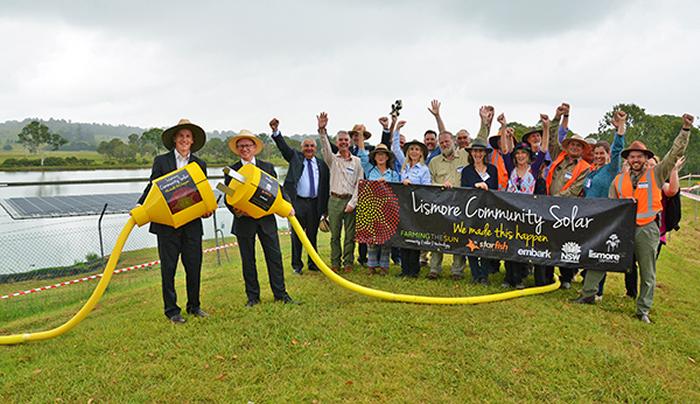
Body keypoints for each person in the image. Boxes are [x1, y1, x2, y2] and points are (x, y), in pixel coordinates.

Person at [572, 113, 693, 324]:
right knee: (601, 258)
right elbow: (611, 205)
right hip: (621, 228)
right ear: (627, 159)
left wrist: (685, 130)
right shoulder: (618, 180)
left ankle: (643, 309)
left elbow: (674, 154)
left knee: (648, 271)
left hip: (647, 229)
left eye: (640, 156)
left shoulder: (656, 174)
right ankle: (588, 293)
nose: (636, 160)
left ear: (646, 158)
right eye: (632, 157)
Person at [138, 119, 211, 324]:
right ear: (174, 140)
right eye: (181, 136)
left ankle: (194, 306)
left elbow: (202, 193)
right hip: (167, 227)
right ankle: (172, 311)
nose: (184, 140)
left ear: (193, 140)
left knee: (194, 267)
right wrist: (140, 206)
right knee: (168, 269)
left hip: (192, 226)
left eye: (188, 136)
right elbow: (152, 188)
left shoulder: (200, 164)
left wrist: (206, 210)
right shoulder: (161, 161)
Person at [224, 129, 297, 307]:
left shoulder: (267, 167)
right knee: (248, 261)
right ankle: (253, 298)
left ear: (255, 148)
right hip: (244, 222)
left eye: (248, 145)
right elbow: (227, 194)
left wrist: (288, 205)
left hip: (266, 221)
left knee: (274, 257)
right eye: (241, 146)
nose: (245, 149)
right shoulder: (230, 171)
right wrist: (237, 211)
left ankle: (281, 294)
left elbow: (278, 189)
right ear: (237, 149)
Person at [270, 118, 330, 275]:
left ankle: (313, 263)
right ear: (301, 148)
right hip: (298, 203)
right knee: (297, 236)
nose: (309, 148)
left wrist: (324, 209)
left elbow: (325, 187)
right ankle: (297, 265)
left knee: (312, 235)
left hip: (315, 204)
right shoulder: (295, 157)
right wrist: (276, 132)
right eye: (306, 146)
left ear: (315, 148)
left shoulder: (321, 164)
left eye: (311, 146)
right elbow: (283, 148)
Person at [579, 110, 627, 300]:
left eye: (601, 153)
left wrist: (620, 128)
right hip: (588, 216)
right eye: (596, 153)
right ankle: (588, 285)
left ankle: (598, 291)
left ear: (607, 155)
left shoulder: (611, 169)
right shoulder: (591, 172)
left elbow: (618, 149)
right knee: (589, 251)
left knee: (600, 253)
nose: (598, 156)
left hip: (604, 216)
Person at [544, 103, 591, 289]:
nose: (575, 147)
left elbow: (574, 189)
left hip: (569, 208)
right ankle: (546, 275)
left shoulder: (585, 168)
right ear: (568, 145)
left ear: (582, 149)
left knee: (566, 243)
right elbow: (552, 138)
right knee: (547, 241)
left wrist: (556, 199)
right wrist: (557, 117)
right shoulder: (558, 155)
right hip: (548, 205)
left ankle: (566, 277)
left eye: (579, 145)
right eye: (572, 144)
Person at [502, 115, 551, 288]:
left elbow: (544, 150)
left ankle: (522, 277)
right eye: (518, 153)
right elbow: (505, 151)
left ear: (529, 155)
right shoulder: (511, 169)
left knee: (525, 245)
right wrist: (503, 126)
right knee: (509, 244)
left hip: (528, 213)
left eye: (524, 153)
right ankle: (510, 277)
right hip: (510, 212)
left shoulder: (534, 170)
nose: (521, 156)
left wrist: (546, 127)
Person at [317, 112, 364, 273]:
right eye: (340, 140)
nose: (343, 143)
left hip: (350, 201)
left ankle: (348, 263)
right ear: (337, 142)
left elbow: (360, 183)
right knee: (335, 235)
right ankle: (335, 263)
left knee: (350, 235)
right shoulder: (332, 159)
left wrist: (353, 203)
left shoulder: (357, 161)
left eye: (346, 140)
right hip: (334, 200)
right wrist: (322, 130)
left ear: (350, 142)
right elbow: (324, 146)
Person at [427, 128, 469, 280]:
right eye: (442, 142)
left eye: (447, 141)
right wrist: (440, 186)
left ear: (454, 141)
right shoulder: (434, 161)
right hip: (441, 204)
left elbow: (480, 140)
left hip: (460, 204)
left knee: (458, 236)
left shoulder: (465, 155)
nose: (445, 144)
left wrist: (485, 121)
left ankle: (457, 270)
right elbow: (429, 182)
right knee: (438, 236)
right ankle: (434, 268)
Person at [391, 120, 431, 277]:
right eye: (411, 149)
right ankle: (404, 269)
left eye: (417, 149)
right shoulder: (403, 165)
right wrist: (397, 130)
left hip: (416, 206)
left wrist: (411, 185)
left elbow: (426, 189)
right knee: (403, 238)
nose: (414, 152)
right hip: (403, 206)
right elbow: (395, 147)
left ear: (421, 153)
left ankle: (413, 270)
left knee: (414, 239)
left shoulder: (424, 170)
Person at [357, 140, 400, 275]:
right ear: (374, 157)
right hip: (371, 208)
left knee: (386, 239)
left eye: (383, 155)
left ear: (387, 157)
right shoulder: (369, 170)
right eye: (378, 155)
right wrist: (360, 135)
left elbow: (397, 192)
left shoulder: (393, 174)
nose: (381, 157)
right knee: (371, 239)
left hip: (387, 209)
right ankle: (371, 265)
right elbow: (363, 156)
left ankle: (384, 266)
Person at [460, 138, 499, 284]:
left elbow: (495, 189)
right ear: (471, 153)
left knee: (485, 243)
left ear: (484, 153)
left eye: (480, 151)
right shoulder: (466, 171)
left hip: (488, 211)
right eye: (475, 151)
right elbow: (464, 190)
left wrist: (486, 187)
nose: (477, 154)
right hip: (471, 211)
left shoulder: (492, 170)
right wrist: (475, 186)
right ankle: (475, 274)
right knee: (471, 243)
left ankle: (484, 275)